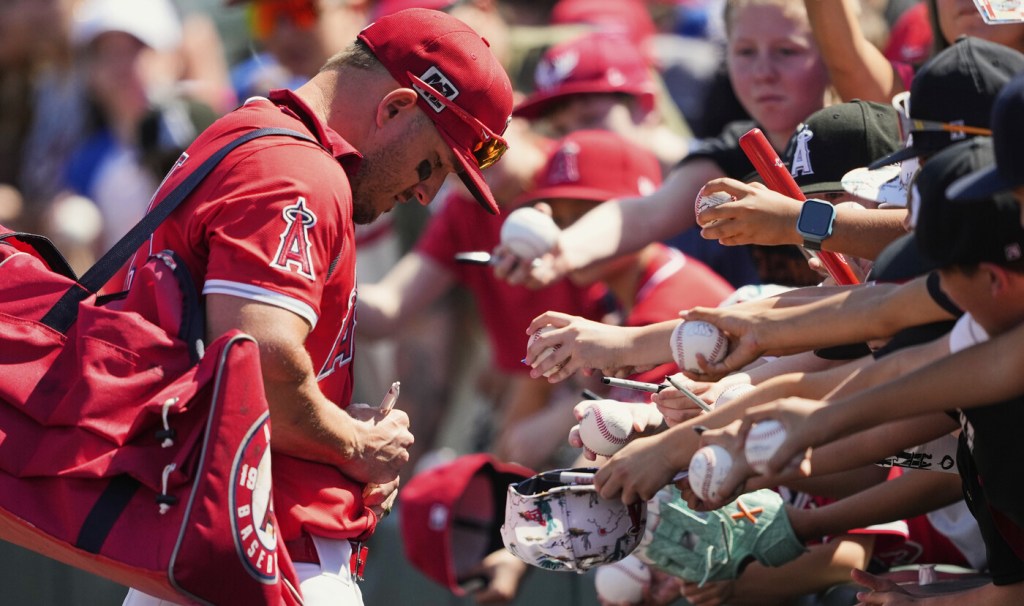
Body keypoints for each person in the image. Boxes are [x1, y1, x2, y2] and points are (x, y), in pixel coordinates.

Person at [118, 8, 514, 605]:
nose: (426, 192)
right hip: (262, 550)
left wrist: (334, 421)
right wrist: (357, 446)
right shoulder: (298, 171)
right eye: (434, 163)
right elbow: (257, 371)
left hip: (206, 536)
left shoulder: (250, 133)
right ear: (397, 108)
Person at [493, 0, 835, 291]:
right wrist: (562, 249)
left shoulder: (862, 134)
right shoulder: (728, 154)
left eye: (787, 51)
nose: (763, 72)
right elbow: (644, 213)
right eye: (745, 51)